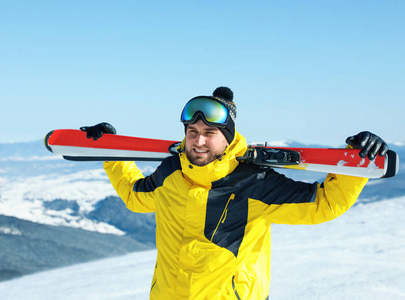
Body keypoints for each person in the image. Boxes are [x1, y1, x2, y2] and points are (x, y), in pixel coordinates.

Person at [81, 87, 388, 300]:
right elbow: (135, 195)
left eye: (210, 134)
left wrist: (354, 159)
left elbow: (325, 203)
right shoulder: (171, 173)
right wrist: (110, 151)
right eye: (192, 132)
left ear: (227, 139)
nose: (199, 141)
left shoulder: (255, 183)